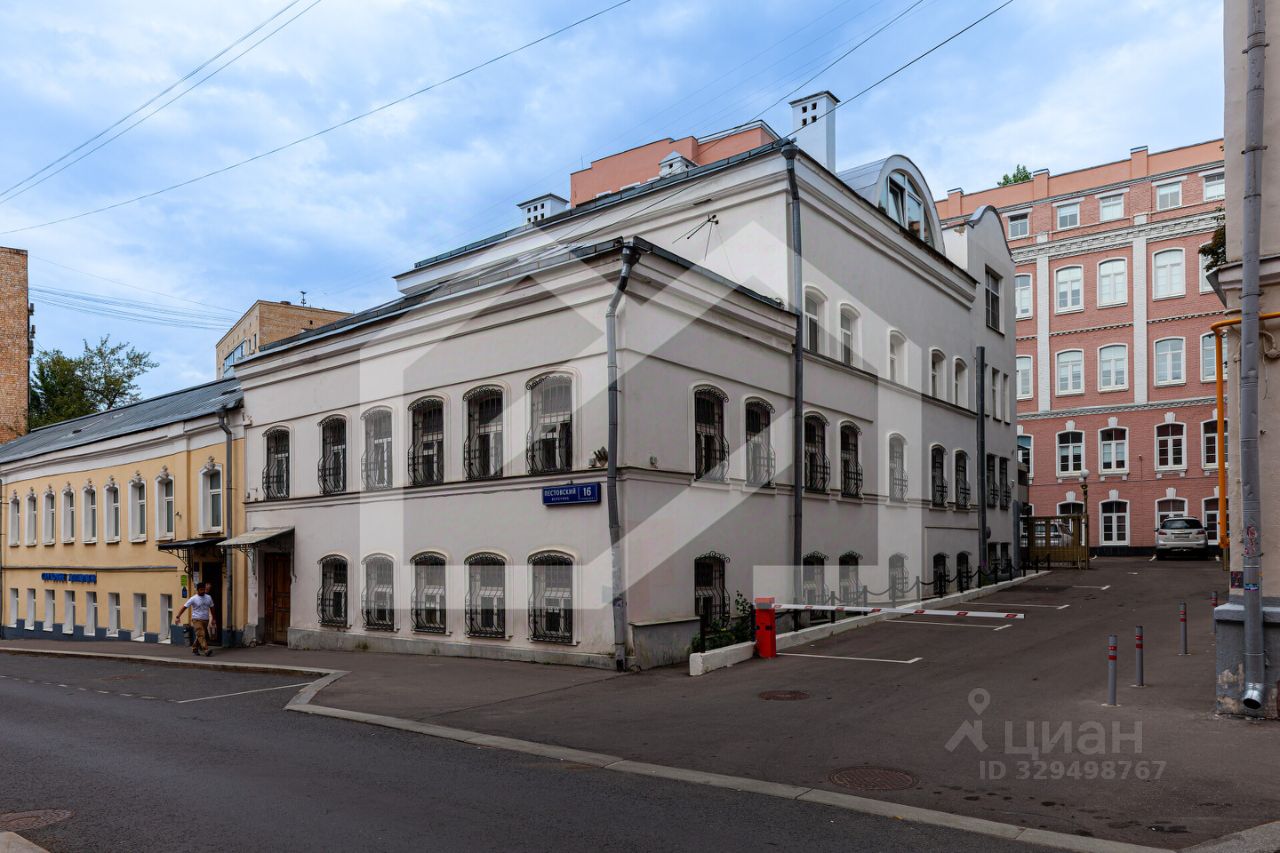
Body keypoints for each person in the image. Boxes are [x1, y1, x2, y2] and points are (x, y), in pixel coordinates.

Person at [175, 582, 217, 657]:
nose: (202, 591)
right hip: (196, 619)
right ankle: (206, 650)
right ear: (197, 590)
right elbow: (184, 607)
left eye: (203, 589)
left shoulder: (208, 597)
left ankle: (195, 648)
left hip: (205, 619)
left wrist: (213, 618)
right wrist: (178, 616)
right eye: (201, 590)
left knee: (200, 635)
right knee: (201, 634)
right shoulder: (193, 598)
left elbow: (212, 608)